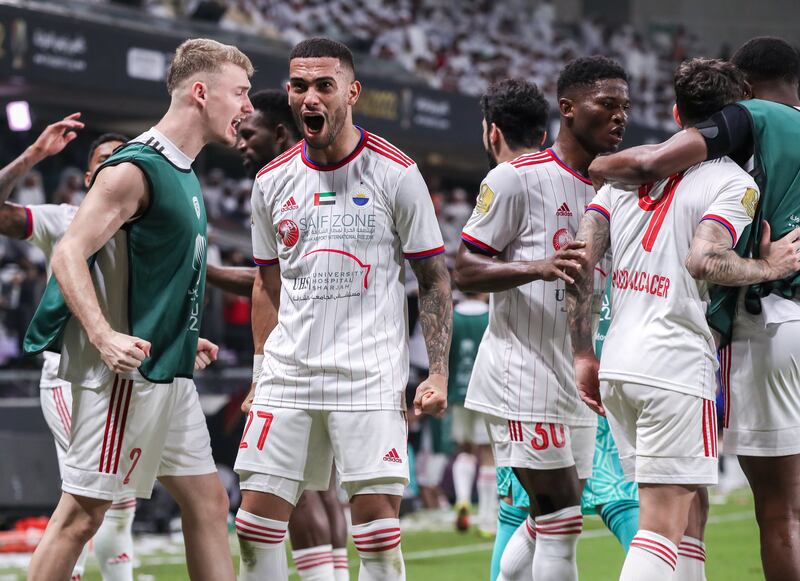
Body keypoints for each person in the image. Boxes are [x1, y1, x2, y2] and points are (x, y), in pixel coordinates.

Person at [23, 38, 254, 581]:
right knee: (81, 517)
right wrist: (104, 337)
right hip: (127, 377)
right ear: (201, 93)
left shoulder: (184, 170)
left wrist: (182, 330)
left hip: (167, 370)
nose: (247, 106)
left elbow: (145, 273)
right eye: (239, 93)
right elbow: (67, 253)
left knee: (209, 504)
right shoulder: (135, 168)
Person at [567, 57, 800, 581]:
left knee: (690, 512)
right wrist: (769, 264)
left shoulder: (618, 182)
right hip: (675, 365)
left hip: (620, 363)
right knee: (661, 529)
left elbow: (579, 263)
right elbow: (704, 259)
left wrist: (583, 351)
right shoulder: (735, 182)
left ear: (677, 114)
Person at [233, 37, 451, 581]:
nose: (310, 97)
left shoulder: (397, 174)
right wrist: (261, 372)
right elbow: (267, 283)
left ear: (351, 92)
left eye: (323, 86)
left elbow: (433, 278)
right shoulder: (270, 181)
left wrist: (440, 371)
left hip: (368, 376)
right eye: (300, 85)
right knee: (254, 528)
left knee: (376, 536)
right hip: (288, 375)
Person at [454, 60, 628, 581]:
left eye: (625, 106)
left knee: (552, 510)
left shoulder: (615, 189)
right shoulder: (515, 178)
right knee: (561, 519)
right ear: (568, 109)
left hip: (577, 376)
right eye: (608, 104)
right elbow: (464, 268)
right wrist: (538, 266)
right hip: (521, 369)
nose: (620, 117)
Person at [207, 88, 351, 580]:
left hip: (300, 362)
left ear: (281, 134)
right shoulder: (317, 175)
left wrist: (199, 269)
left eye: (249, 134)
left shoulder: (288, 182)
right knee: (321, 488)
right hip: (337, 358)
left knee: (283, 494)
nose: (240, 143)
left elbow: (271, 283)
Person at [0, 117, 137, 581]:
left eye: (124, 160)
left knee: (118, 502)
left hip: (126, 377)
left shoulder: (145, 228)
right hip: (67, 374)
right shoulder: (63, 217)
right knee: (85, 499)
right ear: (87, 177)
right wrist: (35, 155)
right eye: (104, 161)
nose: (114, 168)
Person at [447, 292, 494, 535]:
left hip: (458, 392)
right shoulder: (490, 316)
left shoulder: (452, 316)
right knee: (488, 454)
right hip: (486, 394)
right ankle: (487, 520)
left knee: (463, 448)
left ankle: (463, 498)